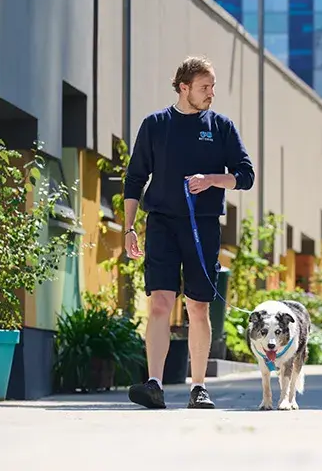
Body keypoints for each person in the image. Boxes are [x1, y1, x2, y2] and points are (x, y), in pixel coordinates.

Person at [123, 56, 255, 409]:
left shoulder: (221, 127)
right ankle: (154, 384)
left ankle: (199, 387)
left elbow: (245, 175)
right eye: (204, 87)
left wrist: (211, 179)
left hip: (203, 225)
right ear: (184, 88)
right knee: (160, 303)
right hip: (162, 224)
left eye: (212, 87)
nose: (211, 93)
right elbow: (135, 178)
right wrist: (129, 228)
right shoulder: (155, 125)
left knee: (198, 307)